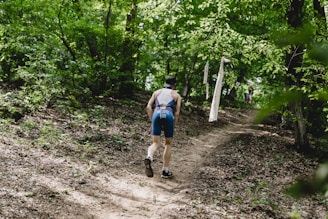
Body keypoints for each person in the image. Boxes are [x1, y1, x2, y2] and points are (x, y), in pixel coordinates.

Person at [144, 76, 181, 179]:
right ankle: (165, 170)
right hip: (168, 115)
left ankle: (149, 156)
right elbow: (177, 113)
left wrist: (152, 122)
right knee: (168, 143)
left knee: (156, 142)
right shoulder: (176, 95)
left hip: (157, 113)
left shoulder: (156, 92)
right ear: (174, 85)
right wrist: (173, 125)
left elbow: (148, 107)